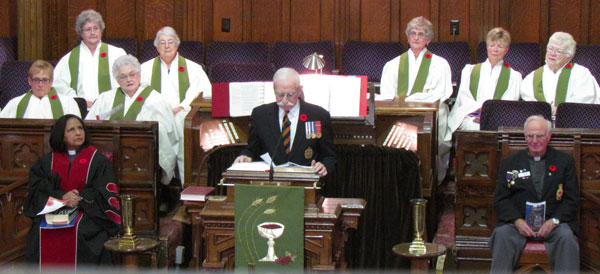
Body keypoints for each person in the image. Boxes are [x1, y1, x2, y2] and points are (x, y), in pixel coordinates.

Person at [23, 114, 121, 267]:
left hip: (88, 212)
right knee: (38, 232)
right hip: (54, 210)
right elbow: (37, 192)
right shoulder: (46, 162)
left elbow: (104, 192)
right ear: (61, 136)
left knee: (86, 232)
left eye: (80, 128)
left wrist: (79, 198)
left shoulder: (97, 160)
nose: (78, 133)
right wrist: (62, 197)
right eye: (71, 130)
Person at [490, 115, 579, 273]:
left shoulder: (564, 162)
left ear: (549, 136)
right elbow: (501, 199)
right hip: (517, 225)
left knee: (567, 237)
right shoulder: (510, 163)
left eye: (539, 136)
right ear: (525, 137)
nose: (534, 140)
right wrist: (517, 221)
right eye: (530, 136)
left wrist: (553, 221)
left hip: (554, 225)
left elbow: (571, 200)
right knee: (502, 235)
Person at [379, 16, 453, 183]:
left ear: (428, 39)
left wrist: (416, 99)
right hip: (400, 112)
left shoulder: (440, 64)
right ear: (407, 36)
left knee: (438, 124)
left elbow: (443, 92)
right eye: (413, 33)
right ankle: (395, 178)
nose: (416, 37)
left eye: (421, 34)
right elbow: (387, 94)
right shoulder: (393, 65)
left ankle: (430, 180)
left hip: (428, 112)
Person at [87, 54, 179, 185]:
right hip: (109, 157)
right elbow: (92, 124)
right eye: (123, 76)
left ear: (139, 74)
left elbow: (167, 132)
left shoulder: (155, 99)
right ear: (117, 80)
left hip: (143, 158)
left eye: (132, 74)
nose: (128, 79)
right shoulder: (105, 98)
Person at [140, 26, 212, 183]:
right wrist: (161, 109)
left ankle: (185, 183)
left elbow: (203, 91)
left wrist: (182, 106)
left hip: (183, 113)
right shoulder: (144, 69)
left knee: (183, 127)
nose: (166, 46)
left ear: (177, 45)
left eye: (170, 42)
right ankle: (162, 181)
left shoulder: (193, 68)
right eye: (162, 43)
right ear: (156, 46)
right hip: (156, 114)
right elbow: (140, 94)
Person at [233, 67, 335, 176]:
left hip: (305, 181)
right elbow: (252, 149)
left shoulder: (317, 115)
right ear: (274, 90)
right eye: (280, 95)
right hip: (270, 181)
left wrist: (324, 165)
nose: (285, 101)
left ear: (299, 90)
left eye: (290, 95)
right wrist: (245, 156)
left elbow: (329, 156)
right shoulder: (260, 115)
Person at [446, 27, 522, 139]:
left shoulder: (514, 76)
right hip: (471, 117)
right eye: (492, 45)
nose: (495, 50)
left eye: (500, 46)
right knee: (472, 127)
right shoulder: (470, 71)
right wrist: (479, 112)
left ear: (506, 50)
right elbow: (464, 98)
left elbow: (509, 103)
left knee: (491, 129)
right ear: (487, 47)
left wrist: (487, 115)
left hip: (498, 120)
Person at [53, 9, 127, 108]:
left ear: (101, 30)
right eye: (88, 29)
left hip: (111, 109)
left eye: (96, 28)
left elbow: (126, 80)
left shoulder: (117, 54)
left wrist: (108, 100)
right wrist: (80, 102)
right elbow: (59, 86)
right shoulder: (69, 59)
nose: (93, 32)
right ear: (81, 33)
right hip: (80, 111)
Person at [521, 32, 599, 113]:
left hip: (572, 122)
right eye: (550, 49)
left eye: (558, 51)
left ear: (569, 56)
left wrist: (560, 110)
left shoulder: (581, 74)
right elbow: (528, 100)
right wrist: (545, 109)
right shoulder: (533, 76)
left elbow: (584, 100)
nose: (552, 54)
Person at [1, 60, 81, 118]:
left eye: (45, 80)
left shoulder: (68, 103)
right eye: (36, 80)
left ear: (51, 81)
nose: (40, 84)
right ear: (29, 81)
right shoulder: (15, 104)